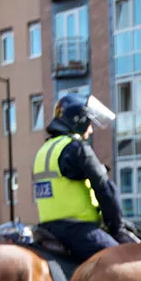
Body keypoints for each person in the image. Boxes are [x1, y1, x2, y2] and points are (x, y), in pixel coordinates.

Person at [32, 93, 124, 263]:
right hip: (77, 230)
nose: (91, 129)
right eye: (89, 123)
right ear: (78, 121)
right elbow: (104, 189)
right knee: (122, 261)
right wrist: (116, 226)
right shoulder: (76, 148)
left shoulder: (44, 150)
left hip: (47, 229)